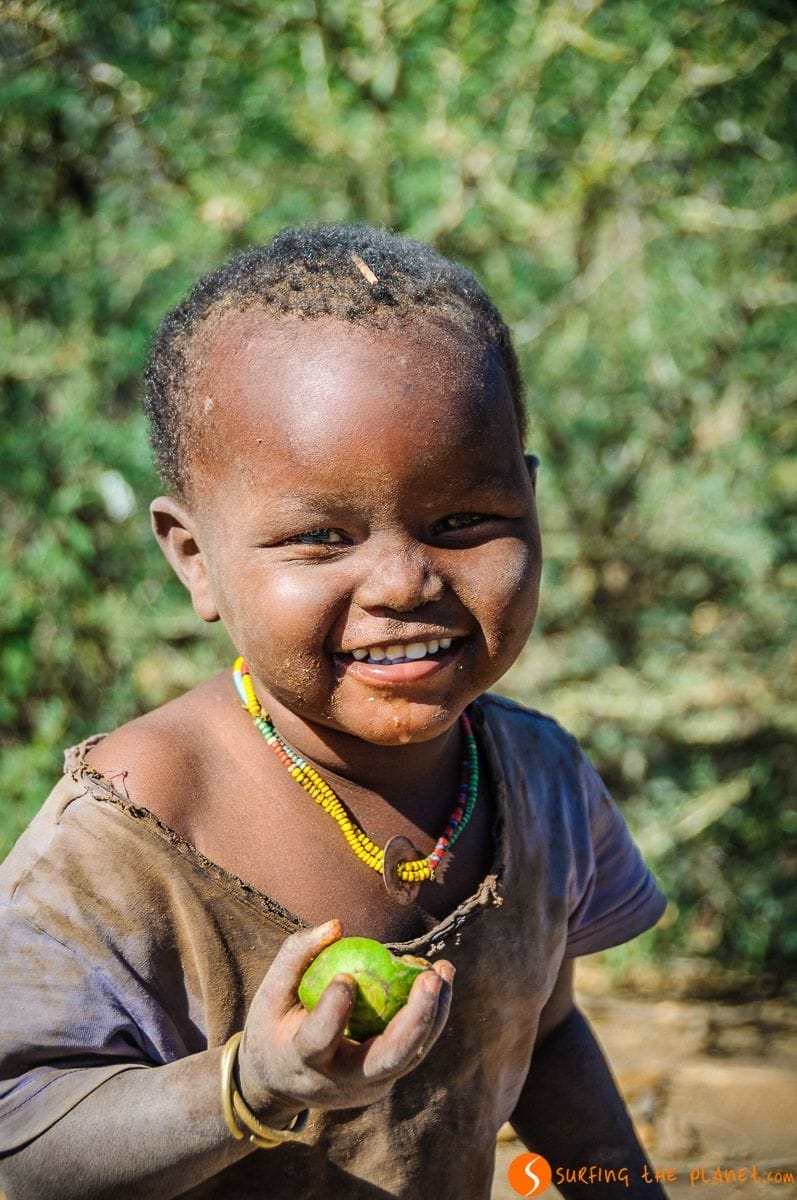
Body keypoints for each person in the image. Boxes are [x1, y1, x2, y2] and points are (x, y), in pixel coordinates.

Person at [0, 225, 668, 1199]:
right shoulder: (128, 835)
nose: (402, 581)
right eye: (319, 536)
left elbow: (547, 1034)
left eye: (462, 522)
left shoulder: (541, 781)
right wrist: (251, 1089)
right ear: (194, 558)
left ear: (528, 500)